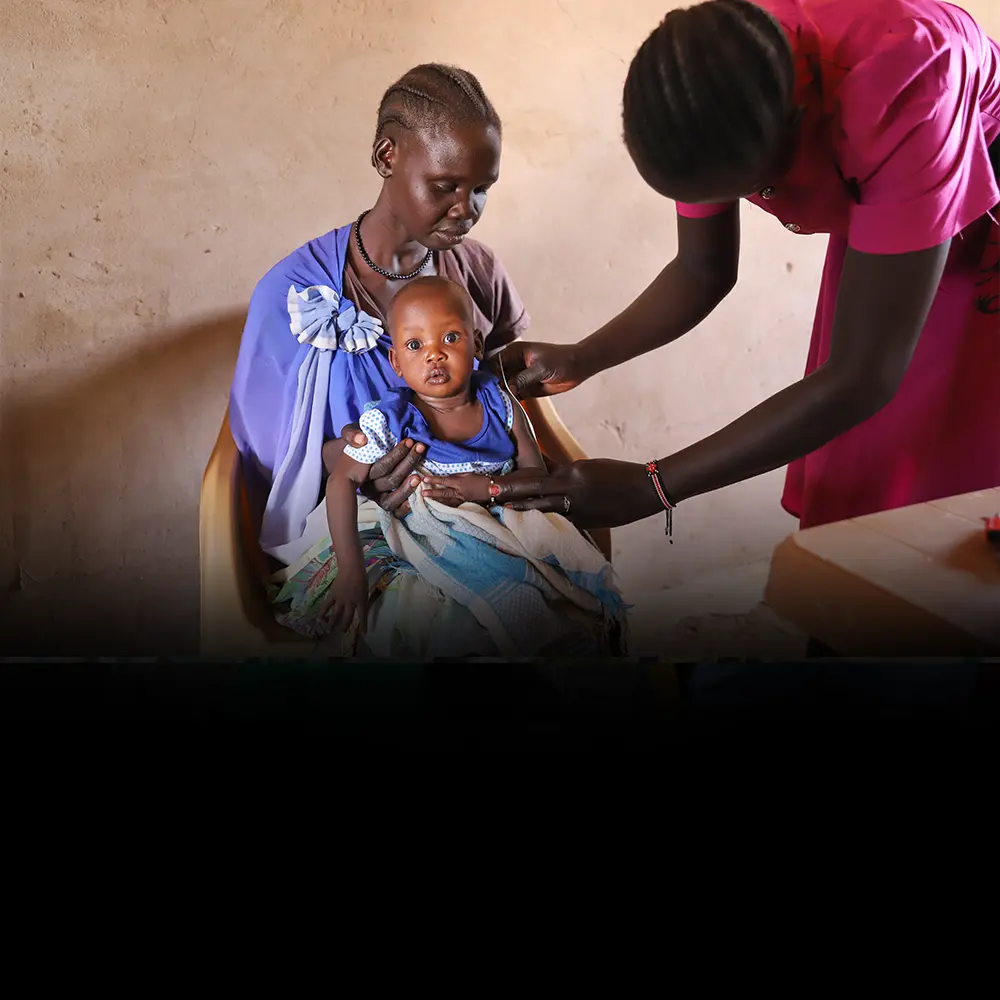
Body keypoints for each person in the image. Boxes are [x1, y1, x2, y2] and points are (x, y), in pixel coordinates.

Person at [427, 0, 999, 540]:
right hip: (889, 216)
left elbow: (863, 376)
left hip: (976, 231)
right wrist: (584, 356)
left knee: (932, 495)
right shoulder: (710, 79)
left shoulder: (908, 83)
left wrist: (652, 486)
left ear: (800, 130)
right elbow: (704, 268)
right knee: (852, 484)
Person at [227, 63, 611, 656]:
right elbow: (263, 456)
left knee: (565, 610)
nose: (467, 209)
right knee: (447, 629)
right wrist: (357, 461)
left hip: (479, 504)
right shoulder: (296, 295)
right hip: (354, 524)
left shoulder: (475, 272)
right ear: (387, 155)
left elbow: (498, 401)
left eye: (481, 188)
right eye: (445, 186)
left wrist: (491, 482)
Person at [321, 276, 623, 653]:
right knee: (443, 620)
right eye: (415, 345)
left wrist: (487, 491)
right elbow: (341, 481)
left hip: (503, 513)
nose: (434, 355)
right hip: (435, 529)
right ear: (396, 363)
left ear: (476, 344)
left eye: (449, 338)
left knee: (568, 572)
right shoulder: (390, 419)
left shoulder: (498, 400)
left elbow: (535, 473)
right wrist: (351, 572)